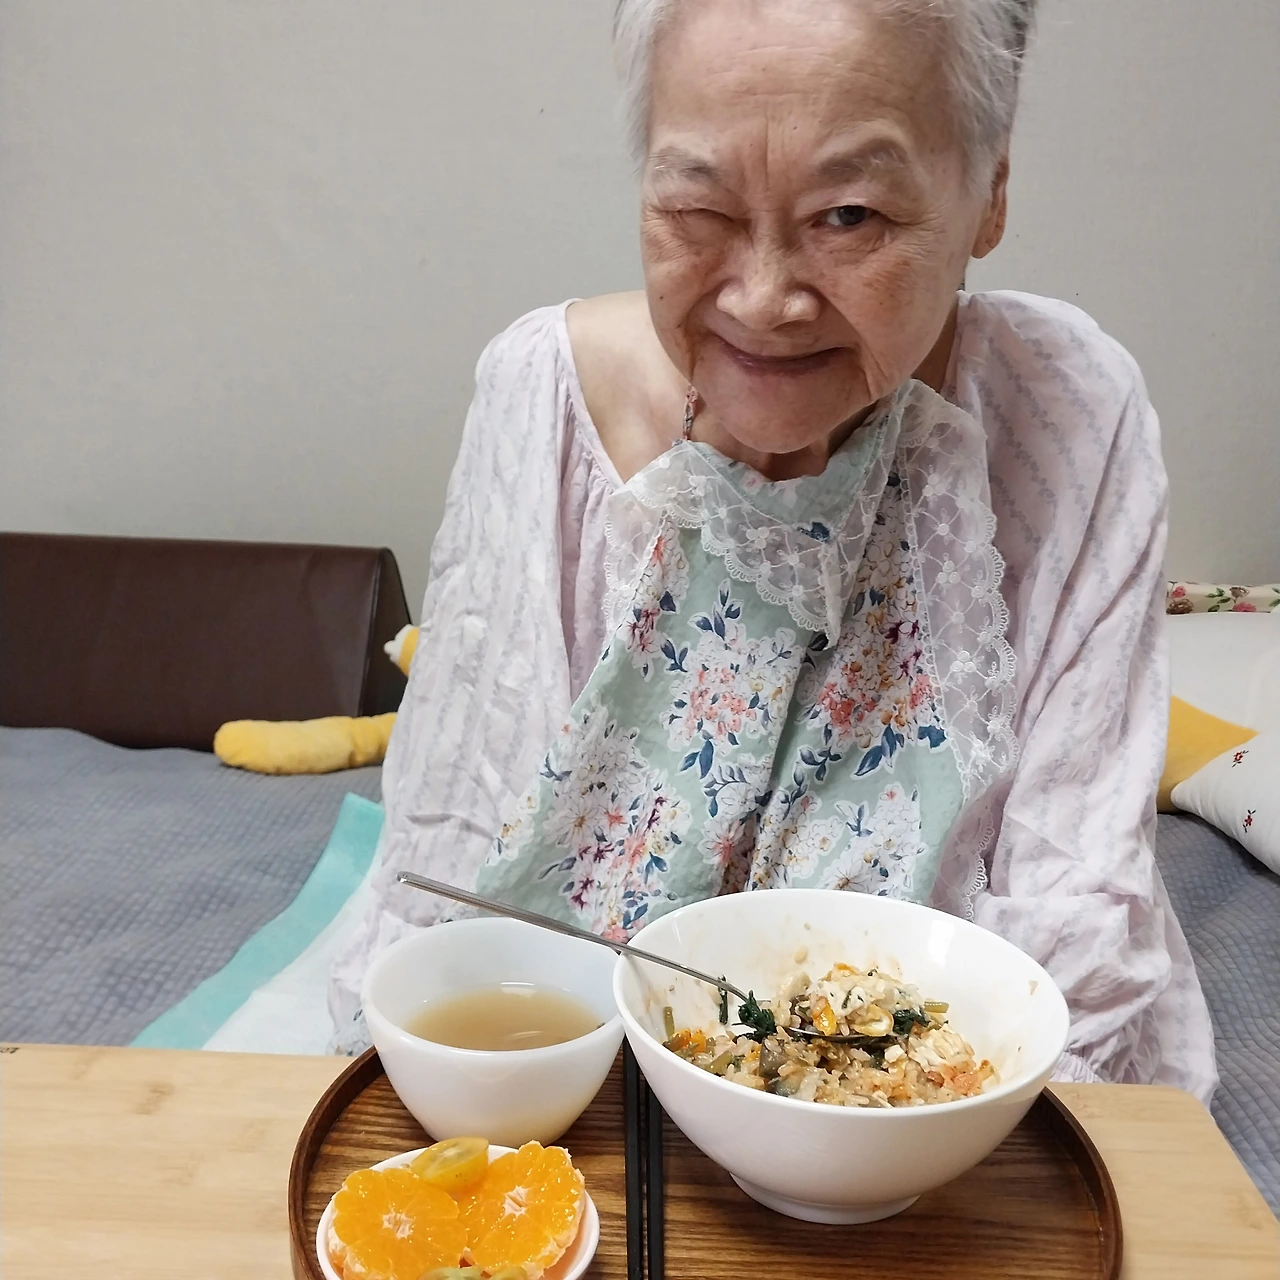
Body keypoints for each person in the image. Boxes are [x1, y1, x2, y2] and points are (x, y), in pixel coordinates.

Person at [330, 0, 1215, 1101]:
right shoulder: (539, 395)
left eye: (847, 215)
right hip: (582, 1078)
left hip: (947, 1097)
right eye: (696, 208)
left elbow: (1075, 913)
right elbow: (457, 862)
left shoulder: (1067, 406)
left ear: (988, 191)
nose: (762, 300)